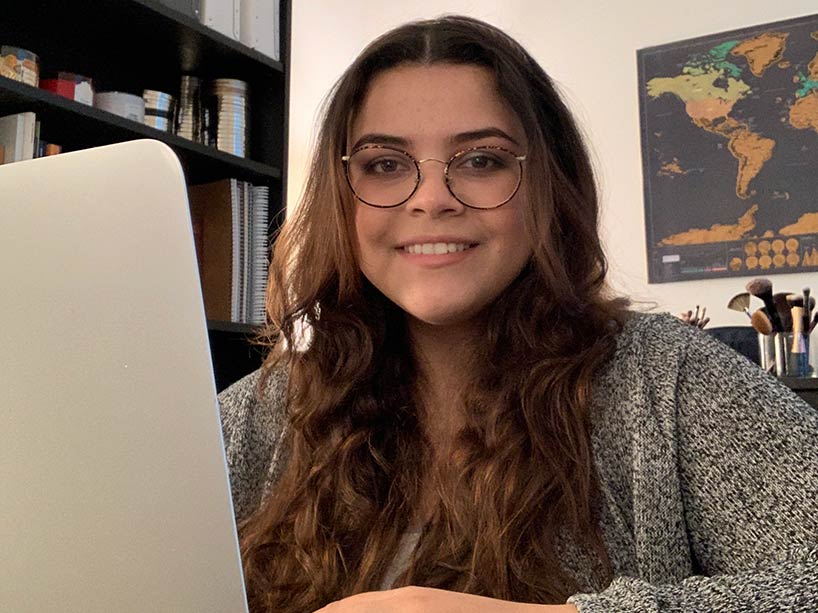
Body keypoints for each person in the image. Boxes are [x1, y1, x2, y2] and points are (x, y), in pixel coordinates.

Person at [217, 14, 818, 613]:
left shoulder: (667, 382)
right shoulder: (271, 411)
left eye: (481, 160)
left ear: (547, 185)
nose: (431, 199)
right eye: (385, 164)